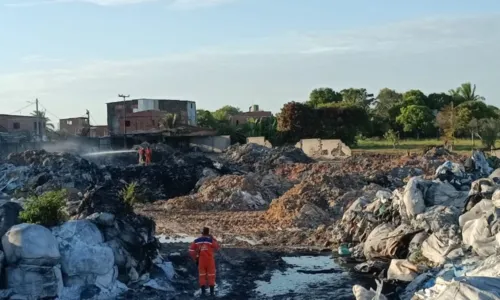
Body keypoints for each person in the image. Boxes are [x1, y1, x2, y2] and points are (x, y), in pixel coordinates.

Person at [189, 227, 220, 296]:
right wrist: (213, 238)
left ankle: (203, 292)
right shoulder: (210, 240)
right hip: (210, 261)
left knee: (202, 276)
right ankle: (212, 293)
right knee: (211, 275)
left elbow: (191, 251)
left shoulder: (197, 241)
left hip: (201, 261)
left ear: (202, 233)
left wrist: (196, 258)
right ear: (208, 233)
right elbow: (217, 247)